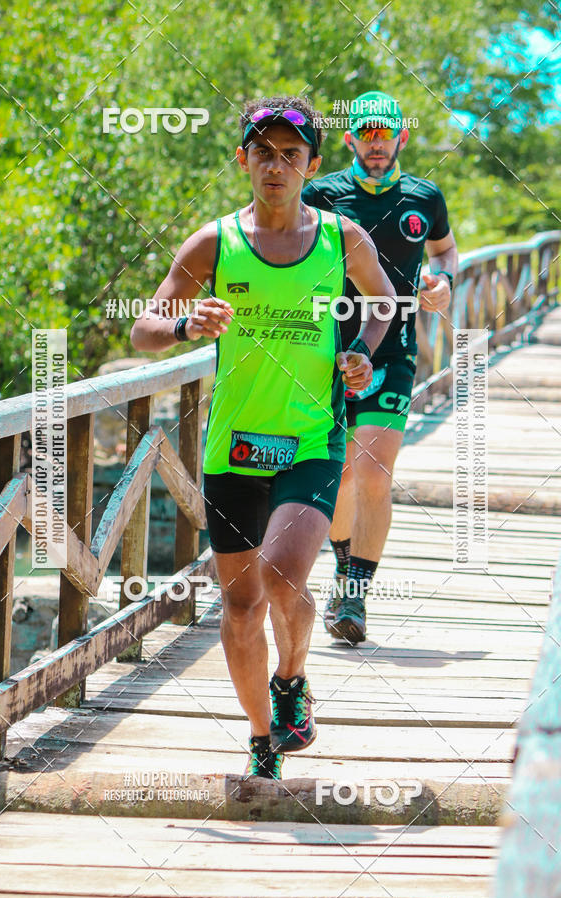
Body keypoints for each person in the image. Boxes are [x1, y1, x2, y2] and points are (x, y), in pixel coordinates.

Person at [131, 96, 397, 780]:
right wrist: (188, 326)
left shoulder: (343, 239)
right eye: (263, 151)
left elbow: (384, 300)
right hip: (233, 448)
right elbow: (143, 330)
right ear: (242, 158)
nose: (275, 165)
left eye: (291, 153)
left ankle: (292, 680)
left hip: (311, 438)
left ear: (311, 164)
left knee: (283, 576)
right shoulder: (214, 243)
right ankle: (260, 737)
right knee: (241, 606)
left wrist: (362, 350)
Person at [302, 90, 458, 644]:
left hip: (392, 351)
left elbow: (444, 252)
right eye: (365, 133)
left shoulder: (425, 197)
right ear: (350, 138)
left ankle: (354, 597)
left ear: (401, 137)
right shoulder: (321, 193)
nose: (375, 143)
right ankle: (345, 566)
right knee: (340, 475)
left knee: (372, 471)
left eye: (384, 133)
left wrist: (443, 283)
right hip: (326, 350)